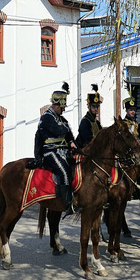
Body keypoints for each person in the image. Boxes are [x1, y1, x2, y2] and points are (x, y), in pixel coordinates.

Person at [35, 82, 78, 215]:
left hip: (63, 152)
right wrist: (65, 128)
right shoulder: (47, 117)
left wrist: (71, 141)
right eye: (62, 107)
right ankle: (67, 204)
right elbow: (59, 130)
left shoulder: (60, 117)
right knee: (64, 171)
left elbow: (69, 134)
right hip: (50, 152)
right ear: (56, 105)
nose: (63, 109)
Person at [76, 84, 103, 149]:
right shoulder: (85, 122)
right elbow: (87, 140)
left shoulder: (97, 122)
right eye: (94, 106)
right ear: (89, 106)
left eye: (97, 106)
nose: (96, 109)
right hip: (84, 151)